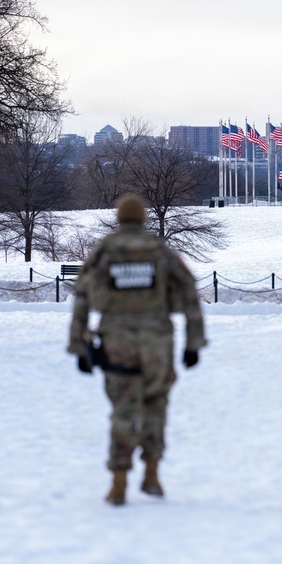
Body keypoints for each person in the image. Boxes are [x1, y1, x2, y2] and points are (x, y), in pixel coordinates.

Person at [67, 193, 207, 506]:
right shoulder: (159, 250)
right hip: (157, 342)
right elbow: (189, 292)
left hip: (118, 345)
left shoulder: (105, 251)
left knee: (123, 411)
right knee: (156, 406)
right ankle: (152, 474)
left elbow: (82, 295)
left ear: (119, 218)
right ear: (143, 218)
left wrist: (78, 344)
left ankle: (119, 481)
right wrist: (193, 342)